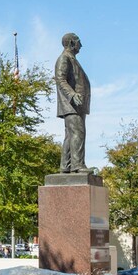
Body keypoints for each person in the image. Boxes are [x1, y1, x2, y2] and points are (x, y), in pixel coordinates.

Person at [55, 32, 91, 173]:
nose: (80, 45)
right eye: (78, 41)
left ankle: (66, 166)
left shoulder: (71, 59)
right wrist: (72, 94)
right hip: (71, 104)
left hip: (77, 105)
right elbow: (60, 79)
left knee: (71, 135)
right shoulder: (64, 58)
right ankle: (77, 165)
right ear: (71, 43)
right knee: (78, 133)